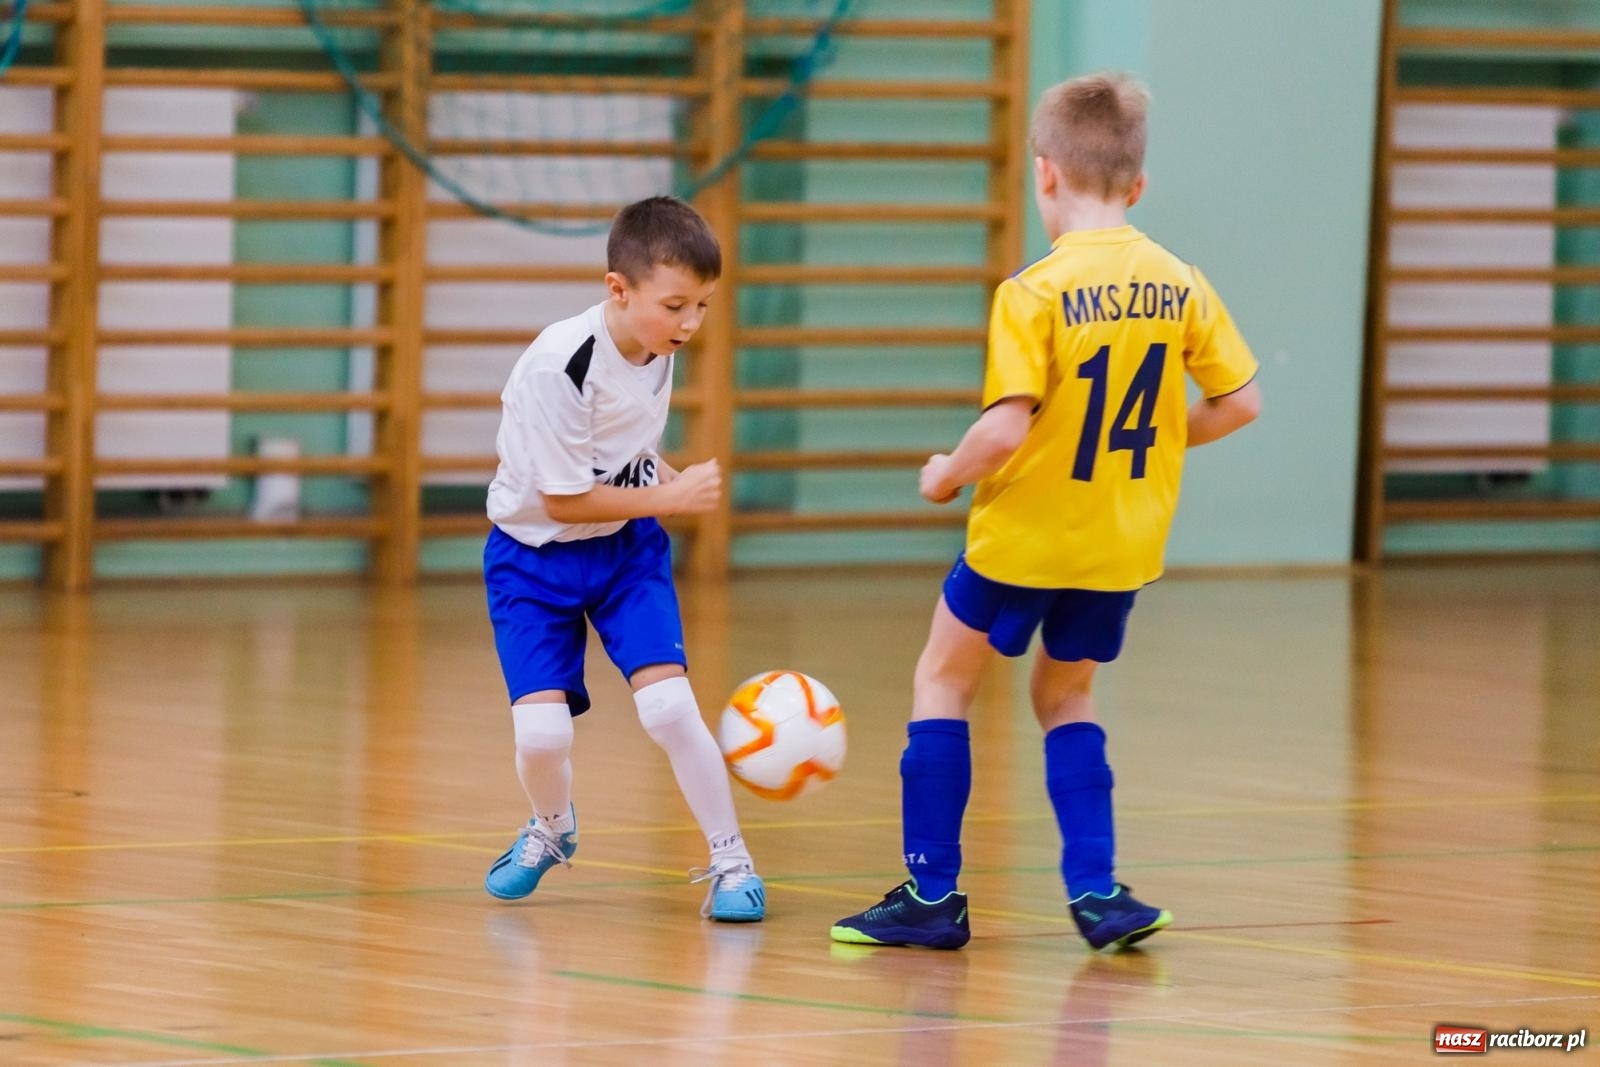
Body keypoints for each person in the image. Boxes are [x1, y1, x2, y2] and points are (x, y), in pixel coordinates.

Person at [829, 73, 1261, 951]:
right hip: (1120, 543)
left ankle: (932, 894)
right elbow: (1241, 402)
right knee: (1066, 696)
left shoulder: (1034, 291)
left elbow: (1003, 426)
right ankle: (1098, 891)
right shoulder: (1179, 281)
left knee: (943, 679)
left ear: (1044, 175)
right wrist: (1157, 445)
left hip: (1020, 539)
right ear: (1137, 184)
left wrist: (944, 475)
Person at [481, 195, 765, 923]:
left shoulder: (654, 344)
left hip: (624, 551)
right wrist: (672, 500)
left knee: (669, 707)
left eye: (703, 305)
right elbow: (565, 501)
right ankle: (551, 827)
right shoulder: (558, 367)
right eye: (676, 305)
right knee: (542, 734)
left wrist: (662, 475)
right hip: (532, 557)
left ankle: (733, 861)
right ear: (618, 290)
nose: (691, 324)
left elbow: (621, 448)